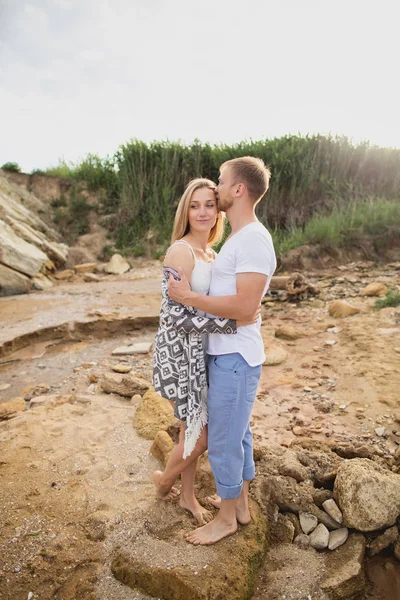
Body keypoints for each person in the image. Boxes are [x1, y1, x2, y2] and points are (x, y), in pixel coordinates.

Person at [168, 156, 277, 545]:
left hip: (234, 359)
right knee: (239, 433)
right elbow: (241, 306)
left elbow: (245, 307)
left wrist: (191, 296)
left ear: (238, 190)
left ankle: (226, 519)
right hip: (228, 355)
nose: (214, 188)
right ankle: (242, 505)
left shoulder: (251, 239)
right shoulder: (239, 237)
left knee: (226, 441)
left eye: (220, 181)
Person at [152, 178, 255, 524]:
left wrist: (246, 307)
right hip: (179, 356)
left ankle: (186, 496)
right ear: (186, 210)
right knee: (201, 431)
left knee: (191, 428)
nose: (202, 212)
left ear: (218, 210)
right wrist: (232, 324)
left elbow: (215, 302)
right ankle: (165, 482)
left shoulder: (212, 252)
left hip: (202, 353)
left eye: (209, 204)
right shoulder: (180, 251)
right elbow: (173, 315)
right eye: (194, 205)